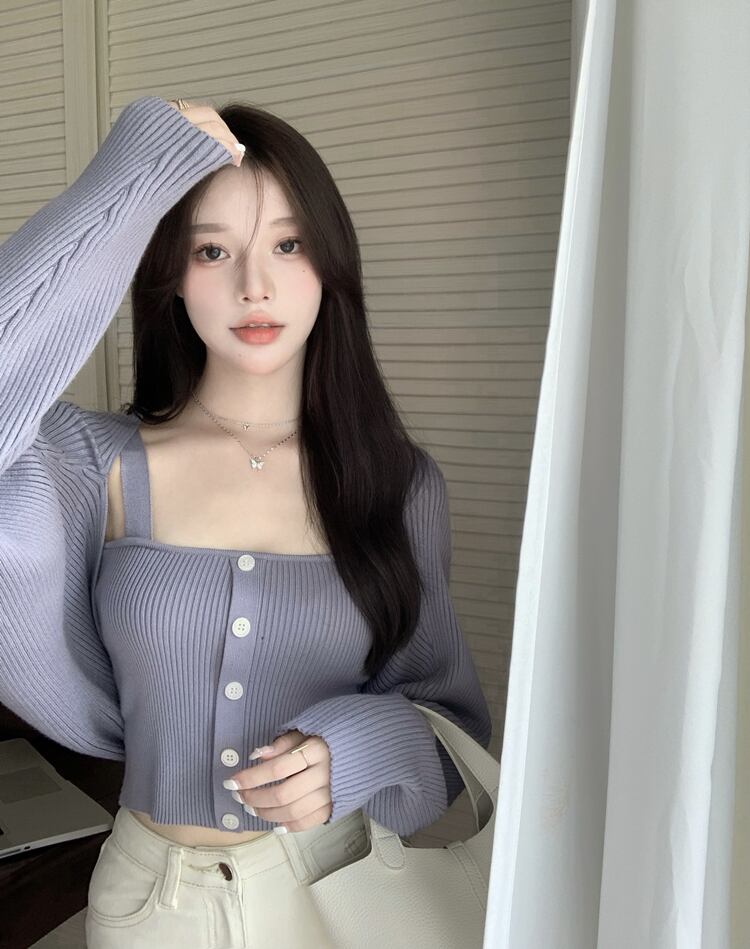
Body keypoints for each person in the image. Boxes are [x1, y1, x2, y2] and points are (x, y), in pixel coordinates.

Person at [0, 95, 492, 947]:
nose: (253, 285)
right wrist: (132, 177)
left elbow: (452, 734)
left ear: (329, 261)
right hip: (151, 905)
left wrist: (355, 751)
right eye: (211, 249)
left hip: (337, 896)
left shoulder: (398, 484)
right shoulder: (94, 464)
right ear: (170, 273)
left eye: (288, 245)